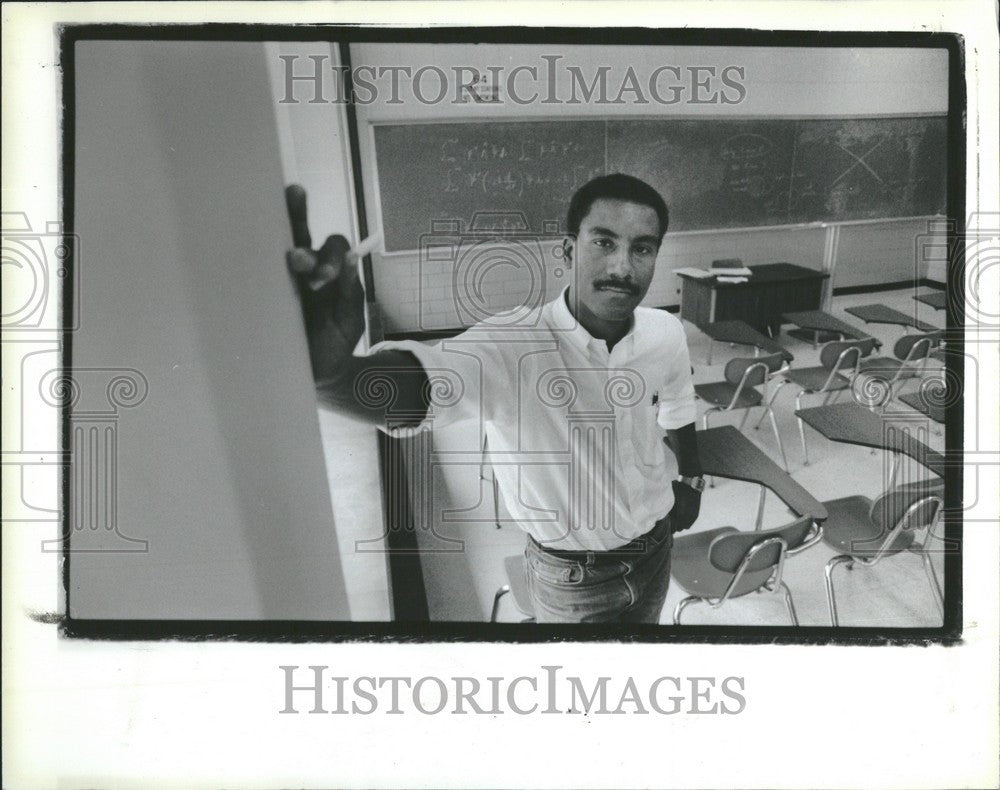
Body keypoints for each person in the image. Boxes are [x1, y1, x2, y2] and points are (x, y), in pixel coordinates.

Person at [286, 173, 703, 623]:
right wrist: (330, 376)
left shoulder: (665, 331)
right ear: (568, 251)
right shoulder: (513, 344)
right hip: (574, 581)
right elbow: (416, 389)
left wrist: (692, 481)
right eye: (604, 242)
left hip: (657, 549)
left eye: (642, 248)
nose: (623, 267)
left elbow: (679, 404)